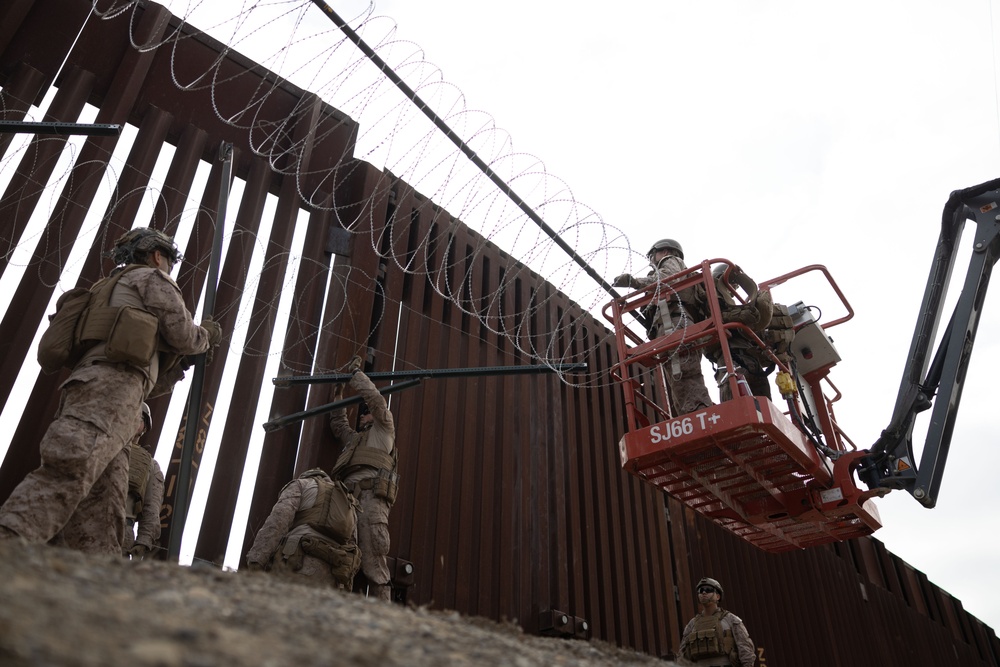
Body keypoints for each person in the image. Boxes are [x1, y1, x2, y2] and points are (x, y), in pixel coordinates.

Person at [0, 227, 221, 555]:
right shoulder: (150, 278)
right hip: (110, 390)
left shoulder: (111, 288)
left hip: (107, 390)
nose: (170, 270)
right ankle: (10, 541)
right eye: (169, 262)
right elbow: (182, 333)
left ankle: (91, 576)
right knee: (70, 469)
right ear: (157, 256)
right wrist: (206, 336)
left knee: (105, 499)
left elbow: (140, 366)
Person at [613, 238, 714, 415]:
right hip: (671, 325)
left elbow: (668, 279)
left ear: (665, 252)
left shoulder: (670, 261)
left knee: (682, 371)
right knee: (677, 376)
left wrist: (635, 282)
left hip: (674, 323)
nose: (651, 259)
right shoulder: (665, 267)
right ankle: (691, 414)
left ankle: (700, 413)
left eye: (653, 255)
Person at [329, 355, 399, 602]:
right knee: (341, 556)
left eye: (365, 413)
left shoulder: (384, 429)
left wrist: (356, 375)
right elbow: (338, 424)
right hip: (345, 498)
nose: (362, 415)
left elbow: (377, 401)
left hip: (370, 499)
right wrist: (337, 394)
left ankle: (383, 611)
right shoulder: (355, 441)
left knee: (374, 562)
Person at [245, 468, 361, 590]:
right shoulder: (348, 501)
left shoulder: (301, 484)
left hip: (299, 563)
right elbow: (352, 543)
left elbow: (277, 522)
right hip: (333, 576)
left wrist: (256, 560)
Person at [678, 577, 756, 667]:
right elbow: (682, 656)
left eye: (708, 590)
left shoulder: (731, 620)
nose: (704, 592)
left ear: (718, 596)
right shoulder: (692, 624)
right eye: (701, 590)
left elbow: (746, 650)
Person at [122, 403, 164, 560]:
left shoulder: (151, 466)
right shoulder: (102, 446)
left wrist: (143, 540)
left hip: (121, 532)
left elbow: (151, 508)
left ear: (145, 426)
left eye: (138, 417)